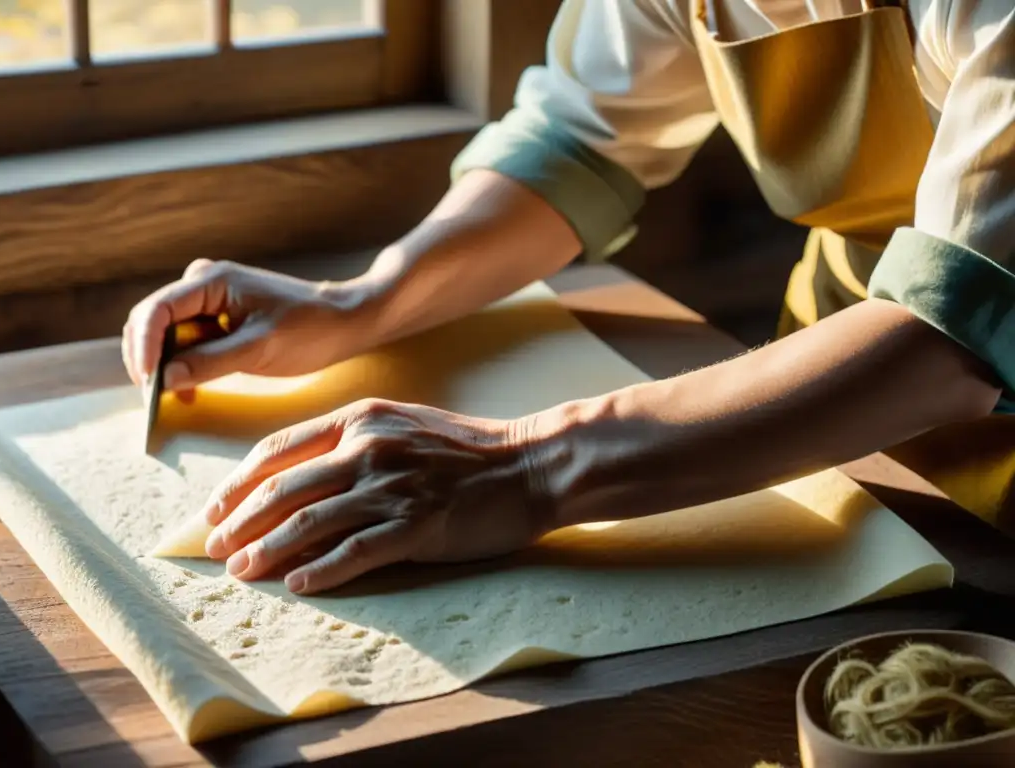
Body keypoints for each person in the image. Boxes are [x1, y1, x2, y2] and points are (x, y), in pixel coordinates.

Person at [123, 0, 1014, 596]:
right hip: (817, 392)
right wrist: (364, 301)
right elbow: (583, 137)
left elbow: (957, 321)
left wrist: (527, 465)